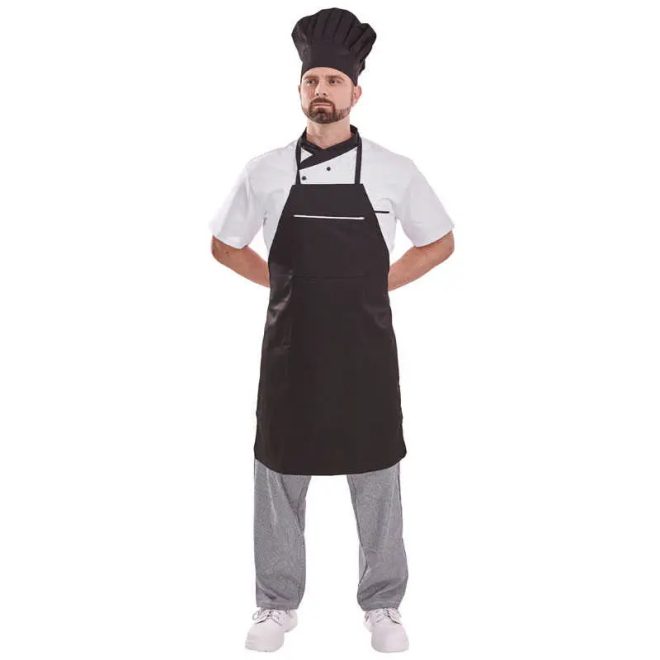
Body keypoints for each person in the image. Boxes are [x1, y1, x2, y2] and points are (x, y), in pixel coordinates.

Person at [209, 7, 455, 653]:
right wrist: (281, 283)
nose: (322, 90)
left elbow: (440, 240)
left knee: (377, 478)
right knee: (278, 477)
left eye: (334, 81)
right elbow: (224, 245)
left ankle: (383, 605)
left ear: (355, 93)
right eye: (312, 80)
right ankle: (276, 604)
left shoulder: (394, 169)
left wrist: (381, 282)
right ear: (300, 90)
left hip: (365, 354)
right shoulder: (264, 170)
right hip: (291, 354)